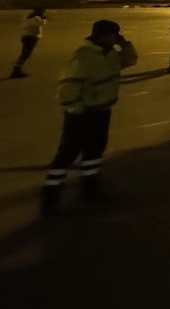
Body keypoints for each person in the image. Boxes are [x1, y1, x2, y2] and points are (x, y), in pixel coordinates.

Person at [40, 19, 137, 215]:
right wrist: (76, 110)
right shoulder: (83, 56)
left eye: (116, 35)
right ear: (100, 36)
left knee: (94, 151)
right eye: (112, 35)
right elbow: (67, 87)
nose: (114, 38)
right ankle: (49, 197)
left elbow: (129, 60)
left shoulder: (111, 54)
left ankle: (91, 190)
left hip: (102, 111)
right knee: (68, 153)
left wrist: (124, 44)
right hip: (83, 113)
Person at [10, 7, 47, 78]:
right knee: (25, 54)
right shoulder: (35, 19)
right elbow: (41, 23)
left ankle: (17, 69)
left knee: (24, 54)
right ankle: (16, 70)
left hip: (26, 36)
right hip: (30, 37)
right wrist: (44, 18)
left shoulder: (28, 17)